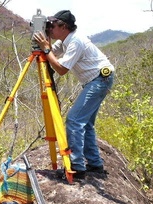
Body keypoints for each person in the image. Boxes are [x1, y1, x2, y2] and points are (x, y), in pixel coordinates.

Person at [33, 10, 115, 179]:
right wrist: (46, 44)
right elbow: (51, 54)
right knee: (86, 124)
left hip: (100, 80)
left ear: (64, 27)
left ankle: (77, 166)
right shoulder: (65, 40)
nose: (50, 29)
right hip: (98, 80)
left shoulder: (76, 41)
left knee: (74, 120)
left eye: (52, 26)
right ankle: (95, 164)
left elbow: (61, 69)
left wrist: (46, 49)